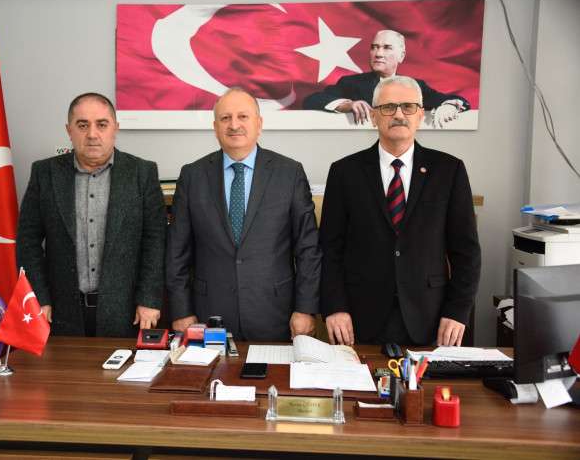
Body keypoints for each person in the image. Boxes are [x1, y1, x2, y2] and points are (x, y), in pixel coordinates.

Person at [319, 76, 481, 346]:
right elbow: (329, 249)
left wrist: (457, 311)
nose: (398, 114)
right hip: (360, 318)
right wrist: (335, 307)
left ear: (420, 115)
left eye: (408, 107)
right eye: (388, 107)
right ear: (373, 117)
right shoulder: (344, 172)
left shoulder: (449, 171)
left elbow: (467, 252)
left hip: (432, 318)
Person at [166, 88, 321, 341]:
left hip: (275, 313)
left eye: (243, 116)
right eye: (225, 118)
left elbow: (308, 248)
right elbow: (177, 251)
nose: (234, 125)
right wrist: (181, 310)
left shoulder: (289, 173)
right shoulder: (193, 176)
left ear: (259, 124)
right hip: (208, 315)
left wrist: (305, 309)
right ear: (215, 127)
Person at [16, 92, 166, 337]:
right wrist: (38, 297)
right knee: (65, 365)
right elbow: (27, 241)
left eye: (102, 124)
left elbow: (156, 241)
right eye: (83, 125)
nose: (93, 134)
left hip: (127, 312)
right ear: (69, 130)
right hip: (59, 313)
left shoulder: (142, 173)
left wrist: (149, 298)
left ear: (115, 128)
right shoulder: (45, 173)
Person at [303, 30, 470, 128]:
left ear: (401, 56)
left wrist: (449, 106)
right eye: (374, 47)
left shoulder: (414, 86)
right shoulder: (351, 83)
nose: (378, 53)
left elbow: (457, 100)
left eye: (387, 48)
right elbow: (311, 100)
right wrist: (347, 105)